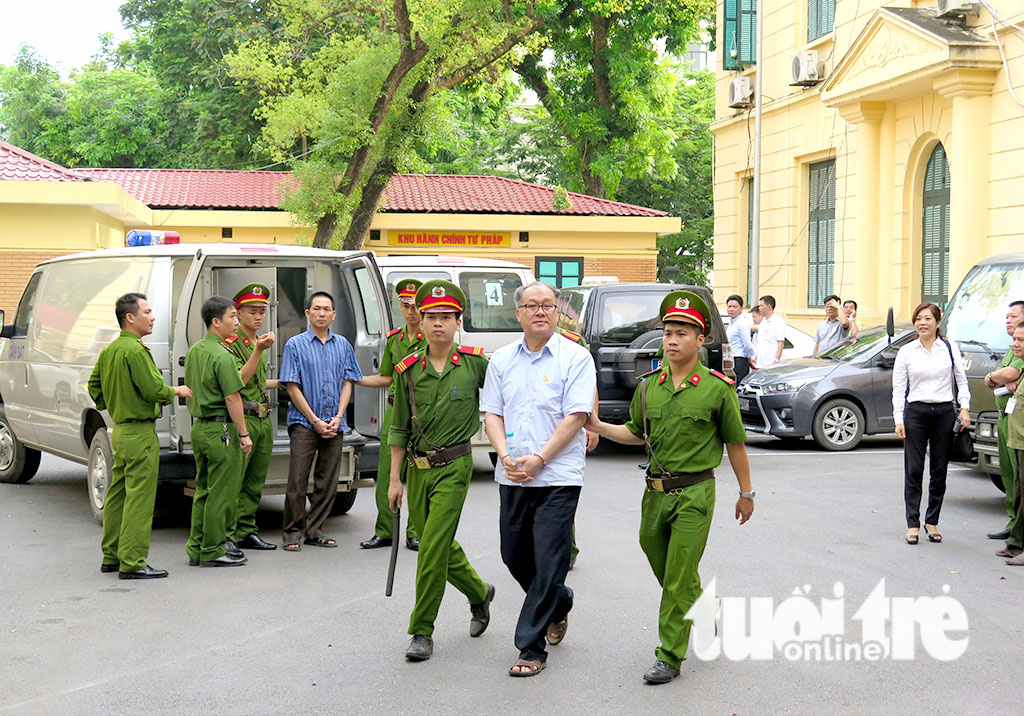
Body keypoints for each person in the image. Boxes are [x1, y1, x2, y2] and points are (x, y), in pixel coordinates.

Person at [587, 289, 754, 684]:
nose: (673, 339)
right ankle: (702, 606)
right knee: (654, 551)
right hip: (654, 493)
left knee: (678, 574)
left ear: (701, 339)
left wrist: (746, 493)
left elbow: (735, 443)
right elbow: (634, 433)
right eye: (668, 332)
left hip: (696, 492)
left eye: (683, 332)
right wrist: (597, 426)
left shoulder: (717, 388)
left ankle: (669, 655)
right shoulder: (649, 386)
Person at [482, 280, 597, 678]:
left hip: (559, 476)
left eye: (547, 305)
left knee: (549, 561)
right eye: (531, 306)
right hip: (512, 474)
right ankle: (559, 601)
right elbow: (492, 413)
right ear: (518, 314)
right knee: (513, 556)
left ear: (557, 311)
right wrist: (505, 455)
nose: (540, 311)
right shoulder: (501, 360)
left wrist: (541, 458)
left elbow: (577, 416)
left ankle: (530, 647)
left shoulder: (576, 357)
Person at [387, 280, 495, 663]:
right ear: (421, 318)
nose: (437, 324)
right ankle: (479, 592)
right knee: (441, 544)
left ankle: (422, 630)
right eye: (431, 316)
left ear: (457, 321)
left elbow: (505, 401)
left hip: (455, 465)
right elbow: (398, 426)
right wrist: (394, 479)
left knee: (430, 548)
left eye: (445, 317)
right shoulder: (409, 368)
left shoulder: (475, 364)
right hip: (416, 470)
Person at [89, 293, 192, 579]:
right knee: (140, 498)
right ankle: (133, 561)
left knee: (118, 493)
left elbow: (94, 386)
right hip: (139, 431)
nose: (153, 316)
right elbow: (154, 389)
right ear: (130, 317)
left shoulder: (110, 350)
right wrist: (177, 391)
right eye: (147, 311)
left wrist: (116, 402)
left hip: (119, 429)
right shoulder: (136, 350)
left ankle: (111, 555)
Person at [278, 291, 362, 551]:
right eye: (317, 309)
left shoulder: (343, 345)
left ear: (334, 314)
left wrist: (339, 417)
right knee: (298, 480)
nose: (322, 313)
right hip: (304, 424)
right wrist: (314, 420)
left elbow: (348, 382)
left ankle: (315, 531)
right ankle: (292, 532)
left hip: (335, 423)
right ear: (307, 313)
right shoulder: (295, 344)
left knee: (328, 481)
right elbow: (291, 386)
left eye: (327, 309)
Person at [892, 302, 970, 545]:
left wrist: (965, 407)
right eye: (918, 319)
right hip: (916, 412)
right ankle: (912, 524)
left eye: (927, 318)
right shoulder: (907, 351)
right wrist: (898, 418)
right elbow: (898, 388)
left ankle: (932, 520)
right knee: (914, 469)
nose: (922, 323)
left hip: (944, 413)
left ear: (937, 322)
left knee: (939, 470)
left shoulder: (948, 347)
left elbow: (961, 379)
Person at [185, 296, 253, 568]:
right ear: (216, 322)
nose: (237, 322)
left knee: (203, 489)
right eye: (232, 316)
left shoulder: (196, 350)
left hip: (200, 427)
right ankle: (213, 549)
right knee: (221, 492)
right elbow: (233, 397)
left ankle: (197, 546)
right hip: (220, 428)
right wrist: (244, 433)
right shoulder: (222, 354)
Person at [358, 278, 425, 551]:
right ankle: (385, 530)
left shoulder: (430, 338)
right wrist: (357, 379)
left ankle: (415, 532)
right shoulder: (394, 339)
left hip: (421, 415)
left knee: (418, 477)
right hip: (395, 412)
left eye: (415, 305)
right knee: (387, 475)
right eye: (405, 305)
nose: (410, 311)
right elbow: (386, 377)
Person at [224, 283, 280, 553]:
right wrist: (258, 350)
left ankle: (246, 530)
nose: (258, 317)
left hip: (262, 417)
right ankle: (228, 533)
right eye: (252, 312)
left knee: (256, 481)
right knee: (237, 479)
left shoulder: (257, 343)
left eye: (262, 312)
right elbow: (239, 381)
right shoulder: (233, 344)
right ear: (238, 313)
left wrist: (280, 383)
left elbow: (256, 381)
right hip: (243, 418)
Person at [985, 301, 1024, 543]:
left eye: (1013, 316)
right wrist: (993, 377)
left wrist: (996, 377)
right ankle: (1013, 523)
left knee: (1019, 477)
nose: (1008, 320)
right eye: (1006, 316)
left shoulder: (1020, 349)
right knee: (1008, 475)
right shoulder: (1012, 348)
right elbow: (997, 376)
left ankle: (1017, 529)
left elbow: (1010, 374)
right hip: (1003, 416)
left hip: (1016, 420)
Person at [1000, 322, 1024, 566]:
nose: (1015, 343)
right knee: (1018, 494)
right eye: (1015, 339)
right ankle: (1016, 544)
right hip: (1017, 440)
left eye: (1021, 340)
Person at [725, 294, 754, 383]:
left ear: (741, 309)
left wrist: (749, 358)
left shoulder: (742, 323)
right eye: (729, 306)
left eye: (735, 307)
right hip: (731, 360)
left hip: (739, 361)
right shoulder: (732, 322)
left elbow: (748, 345)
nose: (731, 309)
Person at [752, 295, 785, 369]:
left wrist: (776, 359)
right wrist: (756, 357)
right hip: (761, 363)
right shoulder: (763, 321)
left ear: (769, 307)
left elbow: (781, 343)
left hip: (771, 363)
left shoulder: (778, 321)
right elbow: (761, 342)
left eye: (761, 306)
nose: (759, 308)